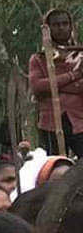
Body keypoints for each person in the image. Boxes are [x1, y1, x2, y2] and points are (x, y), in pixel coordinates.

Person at [30, 9, 83, 157]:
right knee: (56, 170)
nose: (61, 28)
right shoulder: (38, 59)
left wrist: (55, 85)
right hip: (50, 124)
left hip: (79, 122)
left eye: (65, 23)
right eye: (56, 24)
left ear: (71, 27)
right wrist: (74, 75)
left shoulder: (80, 55)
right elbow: (38, 87)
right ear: (48, 28)